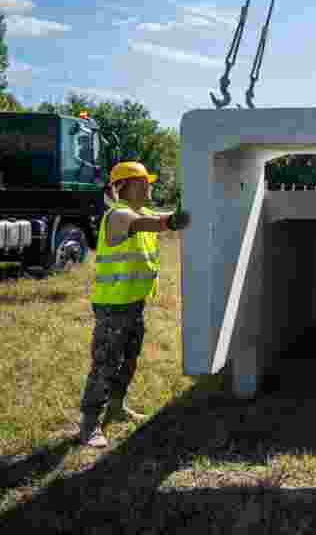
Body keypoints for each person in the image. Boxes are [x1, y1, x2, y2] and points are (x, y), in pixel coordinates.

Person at [78, 161, 191, 448]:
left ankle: (116, 408)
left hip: (133, 303)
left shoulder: (141, 211)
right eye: (144, 181)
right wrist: (172, 221)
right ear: (125, 186)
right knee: (105, 363)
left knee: (128, 358)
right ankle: (90, 424)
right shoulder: (119, 215)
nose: (149, 186)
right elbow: (150, 224)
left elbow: (159, 217)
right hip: (113, 305)